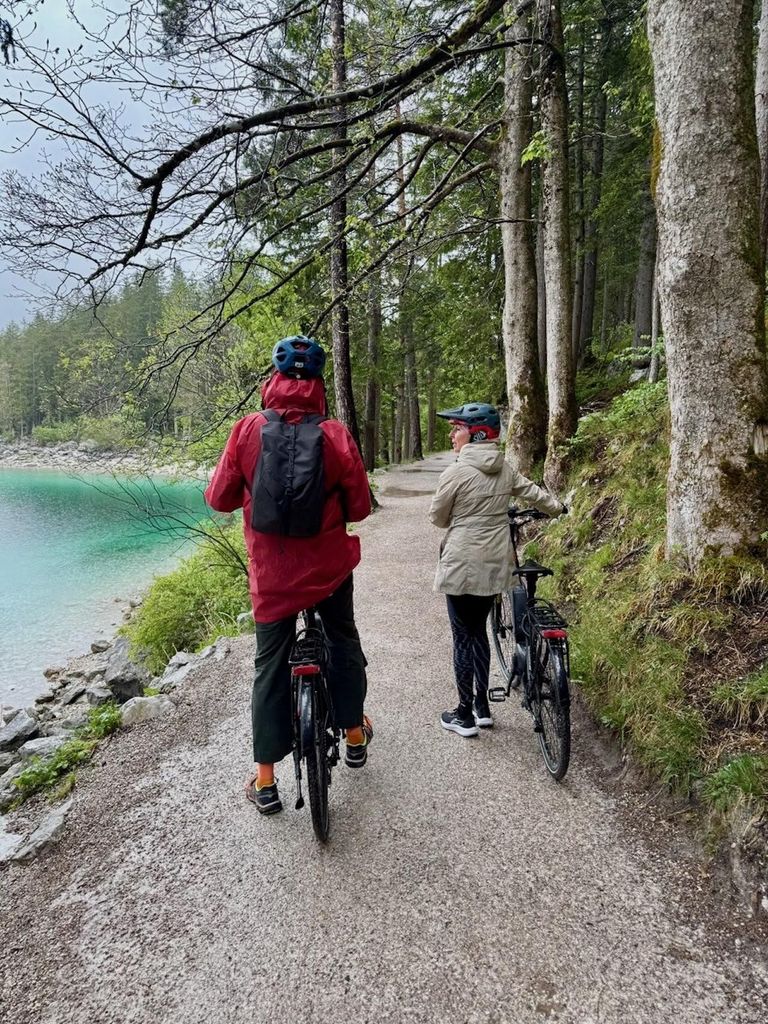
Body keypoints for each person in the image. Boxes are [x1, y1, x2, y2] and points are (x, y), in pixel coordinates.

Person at [205, 336, 373, 815]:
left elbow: (218, 499)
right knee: (342, 641)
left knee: (269, 666)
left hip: (272, 578)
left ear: (271, 382)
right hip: (328, 571)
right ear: (320, 385)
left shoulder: (247, 431)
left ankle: (265, 782)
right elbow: (359, 507)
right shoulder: (336, 435)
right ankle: (355, 735)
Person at [429, 402, 566, 738]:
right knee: (479, 630)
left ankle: (463, 715)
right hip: (494, 567)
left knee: (464, 636)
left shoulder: (456, 473)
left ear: (475, 433)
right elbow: (535, 494)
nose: (452, 434)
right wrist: (560, 508)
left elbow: (438, 518)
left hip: (462, 567)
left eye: (456, 428)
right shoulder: (505, 469)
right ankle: (482, 706)